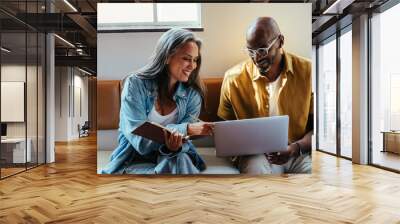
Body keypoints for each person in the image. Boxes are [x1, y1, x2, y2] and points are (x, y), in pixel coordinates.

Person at [102, 28, 213, 174]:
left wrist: (175, 145)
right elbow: (138, 139)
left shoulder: (193, 95)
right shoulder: (135, 84)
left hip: (173, 156)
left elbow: (184, 144)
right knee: (177, 163)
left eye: (195, 60)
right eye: (186, 58)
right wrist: (186, 129)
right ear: (167, 57)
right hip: (133, 157)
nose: (192, 66)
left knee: (179, 158)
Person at [217, 17, 313, 174]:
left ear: (280, 42)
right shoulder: (233, 79)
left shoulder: (308, 71)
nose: (256, 58)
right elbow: (225, 130)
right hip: (256, 156)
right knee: (256, 177)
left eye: (262, 50)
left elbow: (318, 129)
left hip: (298, 152)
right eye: (251, 51)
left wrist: (296, 148)